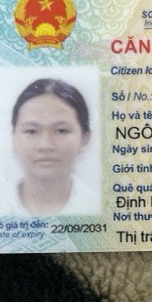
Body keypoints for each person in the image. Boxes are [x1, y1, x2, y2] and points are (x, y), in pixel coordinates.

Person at [10, 78, 95, 215]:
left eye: (61, 131)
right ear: (14, 138)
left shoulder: (97, 207)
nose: (45, 145)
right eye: (31, 131)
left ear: (84, 139)